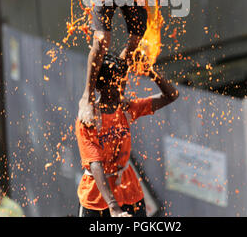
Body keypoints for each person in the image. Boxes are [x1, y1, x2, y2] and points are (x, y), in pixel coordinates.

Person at [75, 54, 179, 217]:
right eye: (115, 84)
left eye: (122, 82)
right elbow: (95, 164)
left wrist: (151, 71)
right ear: (100, 86)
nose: (120, 88)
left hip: (129, 192)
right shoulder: (88, 119)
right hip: (97, 199)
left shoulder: (126, 109)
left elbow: (171, 95)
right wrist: (113, 207)